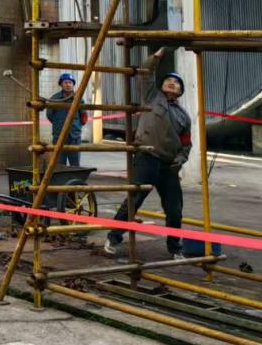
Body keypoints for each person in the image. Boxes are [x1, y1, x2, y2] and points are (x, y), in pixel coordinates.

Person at [104, 71, 192, 259]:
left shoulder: (184, 117)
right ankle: (113, 237)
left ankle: (175, 248)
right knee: (134, 200)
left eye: (176, 82)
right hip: (147, 157)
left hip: (169, 165)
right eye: (168, 79)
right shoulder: (152, 97)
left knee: (175, 210)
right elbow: (146, 75)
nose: (171, 82)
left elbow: (186, 145)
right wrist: (156, 56)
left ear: (181, 90)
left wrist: (179, 161)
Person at [46, 73, 88, 168]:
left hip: (74, 136)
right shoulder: (54, 98)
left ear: (73, 84)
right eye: (65, 82)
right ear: (61, 84)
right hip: (59, 136)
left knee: (75, 163)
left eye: (70, 82)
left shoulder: (78, 98)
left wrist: (76, 126)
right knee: (59, 163)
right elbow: (49, 115)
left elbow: (84, 117)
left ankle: (75, 177)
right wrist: (59, 124)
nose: (68, 85)